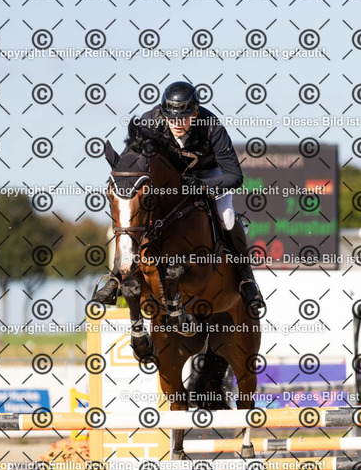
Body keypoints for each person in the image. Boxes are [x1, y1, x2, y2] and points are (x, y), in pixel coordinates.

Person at [95, 81, 264, 310]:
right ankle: (116, 278)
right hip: (170, 181)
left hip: (207, 175)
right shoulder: (151, 121)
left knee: (227, 217)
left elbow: (235, 176)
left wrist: (202, 186)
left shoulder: (211, 126)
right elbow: (130, 162)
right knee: (138, 214)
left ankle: (247, 279)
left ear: (194, 114)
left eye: (182, 118)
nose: (176, 123)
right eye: (171, 118)